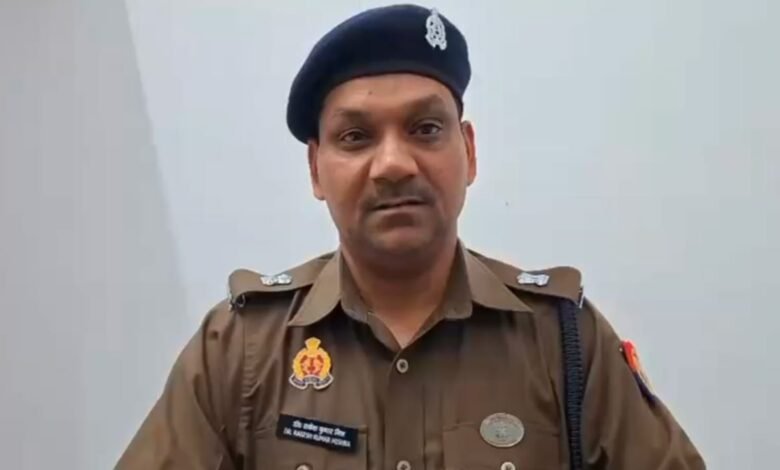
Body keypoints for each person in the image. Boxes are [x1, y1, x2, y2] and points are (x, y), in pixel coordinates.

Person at [117, 4, 705, 469]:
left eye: (425, 129)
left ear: (468, 151)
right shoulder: (240, 349)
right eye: (356, 137)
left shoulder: (566, 342)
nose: (394, 164)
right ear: (316, 169)